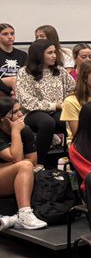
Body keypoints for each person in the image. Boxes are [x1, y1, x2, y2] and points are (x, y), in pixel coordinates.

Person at [14, 39, 72, 168]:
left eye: (54, 52)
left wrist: (65, 103)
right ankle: (39, 163)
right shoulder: (25, 72)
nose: (54, 56)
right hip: (32, 113)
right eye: (50, 53)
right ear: (39, 54)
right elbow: (26, 101)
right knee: (47, 122)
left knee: (68, 119)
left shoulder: (60, 71)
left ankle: (73, 158)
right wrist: (54, 105)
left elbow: (72, 90)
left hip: (57, 110)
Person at [0, 98, 47, 229]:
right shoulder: (16, 130)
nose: (21, 114)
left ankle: (19, 217)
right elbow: (15, 158)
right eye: (15, 112)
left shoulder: (25, 130)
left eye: (20, 110)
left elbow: (32, 161)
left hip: (7, 174)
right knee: (24, 166)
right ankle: (24, 214)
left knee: (27, 166)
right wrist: (15, 131)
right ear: (3, 118)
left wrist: (14, 166)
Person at [0, 23, 26, 92]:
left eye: (12, 34)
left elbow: (26, 76)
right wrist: (9, 91)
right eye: (5, 34)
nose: (10, 37)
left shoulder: (23, 55)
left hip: (19, 91)